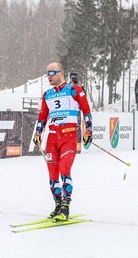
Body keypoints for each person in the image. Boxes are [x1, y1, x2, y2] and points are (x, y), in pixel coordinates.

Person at [32, 62, 93, 221]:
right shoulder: (47, 94)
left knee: (64, 169)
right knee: (52, 174)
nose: (49, 76)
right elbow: (42, 116)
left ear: (61, 73)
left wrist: (89, 129)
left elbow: (86, 110)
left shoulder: (74, 89)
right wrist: (38, 132)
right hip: (51, 138)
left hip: (68, 137)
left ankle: (66, 206)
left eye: (52, 73)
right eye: (47, 73)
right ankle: (58, 204)